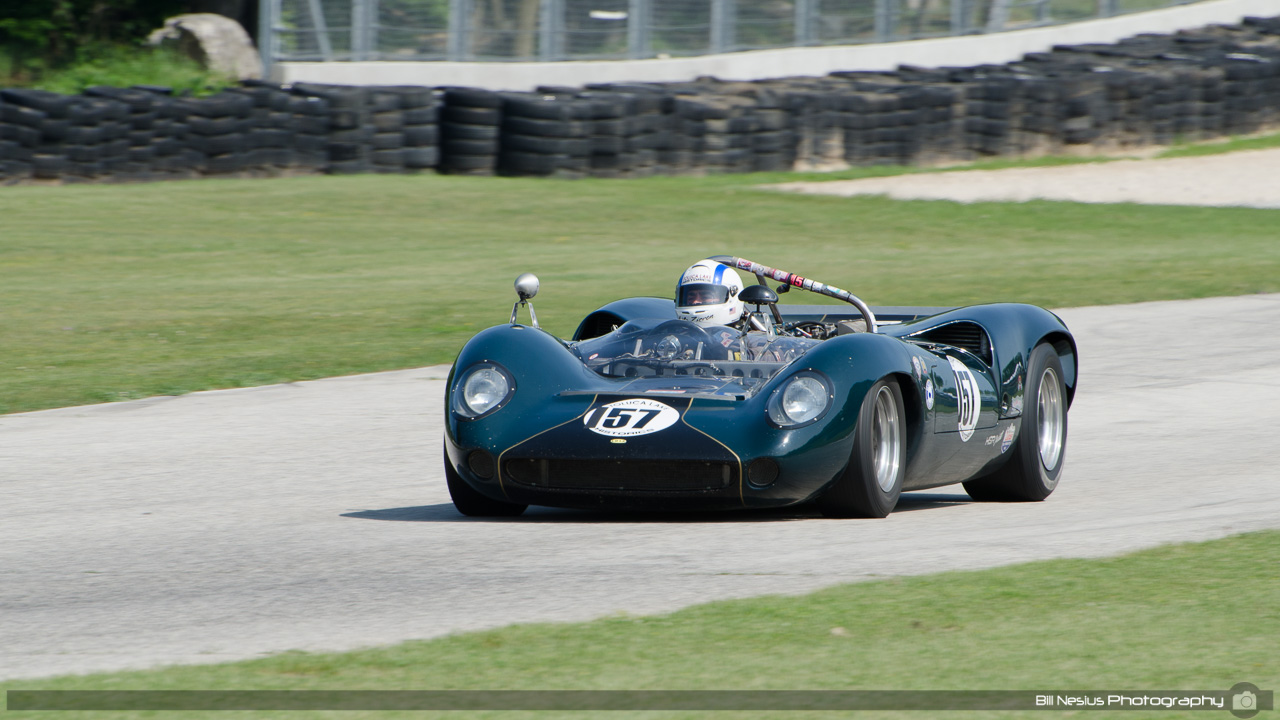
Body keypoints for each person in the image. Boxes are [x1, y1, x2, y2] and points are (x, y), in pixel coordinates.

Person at [674, 259, 744, 326]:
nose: (695, 301)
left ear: (732, 296)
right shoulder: (676, 333)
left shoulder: (746, 334)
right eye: (691, 297)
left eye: (706, 296)